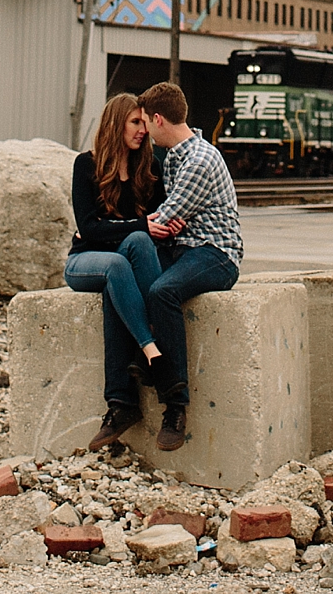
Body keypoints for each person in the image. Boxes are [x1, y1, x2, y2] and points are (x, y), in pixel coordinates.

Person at [133, 77, 242, 448]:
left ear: (159, 120)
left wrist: (161, 223)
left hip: (216, 253)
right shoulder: (175, 156)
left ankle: (175, 404)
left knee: (163, 290)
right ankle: (141, 362)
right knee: (131, 274)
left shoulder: (199, 159)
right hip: (185, 248)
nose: (145, 132)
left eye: (146, 123)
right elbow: (165, 220)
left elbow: (166, 217)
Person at [65, 92, 166, 445]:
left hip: (117, 263)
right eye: (136, 122)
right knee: (119, 259)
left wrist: (127, 227)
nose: (143, 130)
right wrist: (137, 225)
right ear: (116, 123)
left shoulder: (147, 170)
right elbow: (89, 230)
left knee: (129, 255)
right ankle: (150, 346)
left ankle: (121, 403)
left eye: (145, 123)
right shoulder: (86, 166)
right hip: (83, 261)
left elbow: (154, 226)